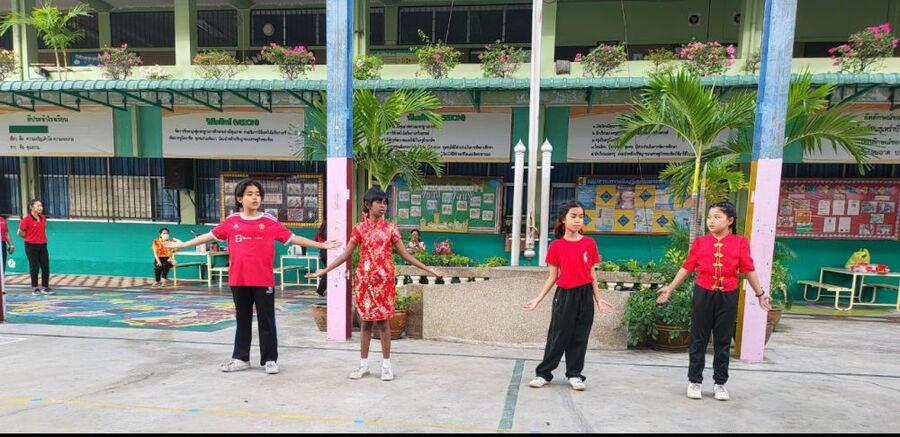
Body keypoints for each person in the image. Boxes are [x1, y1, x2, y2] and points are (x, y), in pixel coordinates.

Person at [167, 179, 340, 375]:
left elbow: (293, 238)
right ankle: (241, 359)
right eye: (249, 194)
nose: (255, 197)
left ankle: (270, 360)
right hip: (238, 279)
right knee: (242, 320)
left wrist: (322, 245)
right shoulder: (231, 222)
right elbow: (209, 236)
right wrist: (183, 245)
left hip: (263, 280)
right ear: (240, 199)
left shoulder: (269, 221)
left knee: (267, 320)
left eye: (257, 194)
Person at [308, 188, 442, 382]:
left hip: (384, 283)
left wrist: (428, 269)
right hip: (365, 283)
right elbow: (346, 255)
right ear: (367, 205)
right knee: (365, 323)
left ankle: (386, 366)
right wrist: (324, 271)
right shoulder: (359, 229)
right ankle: (363, 365)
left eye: (385, 202)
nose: (383, 206)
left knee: (384, 323)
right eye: (379, 202)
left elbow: (405, 254)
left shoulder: (391, 229)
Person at [656, 201, 772, 401]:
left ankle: (720, 383)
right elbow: (687, 267)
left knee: (723, 340)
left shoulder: (740, 242)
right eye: (710, 217)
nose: (711, 221)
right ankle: (695, 381)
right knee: (698, 338)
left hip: (728, 295)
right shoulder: (700, 242)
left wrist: (760, 294)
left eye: (717, 217)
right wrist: (670, 288)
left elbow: (748, 269)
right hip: (703, 294)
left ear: (730, 220)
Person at [524, 200, 612, 391]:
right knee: (558, 335)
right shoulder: (556, 246)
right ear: (563, 219)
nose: (578, 220)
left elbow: (592, 274)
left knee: (580, 336)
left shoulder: (589, 243)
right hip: (564, 296)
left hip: (585, 295)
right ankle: (543, 374)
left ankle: (575, 374)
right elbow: (552, 277)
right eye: (573, 216)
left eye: (581, 216)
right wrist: (538, 299)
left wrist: (598, 299)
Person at [18, 199, 51, 296]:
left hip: (43, 245)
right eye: (38, 206)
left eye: (41, 205)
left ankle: (45, 287)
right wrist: (30, 238)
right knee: (34, 267)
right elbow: (19, 233)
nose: (40, 207)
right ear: (31, 207)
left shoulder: (43, 218)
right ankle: (35, 288)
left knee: (45, 266)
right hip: (31, 246)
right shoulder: (26, 219)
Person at [313, 219, 328, 296]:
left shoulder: (319, 232)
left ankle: (322, 290)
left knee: (327, 270)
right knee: (327, 271)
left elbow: (315, 241)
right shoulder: (330, 232)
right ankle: (320, 290)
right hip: (329, 252)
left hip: (322, 253)